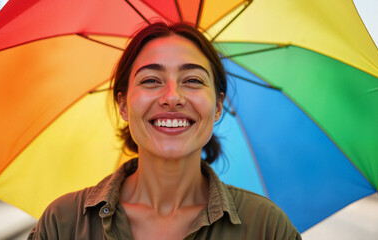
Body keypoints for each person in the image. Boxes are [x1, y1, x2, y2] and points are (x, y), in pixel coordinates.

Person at [28, 22, 301, 240]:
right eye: (151, 80)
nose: (172, 97)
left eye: (192, 80)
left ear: (218, 106)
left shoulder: (268, 228)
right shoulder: (62, 225)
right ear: (123, 105)